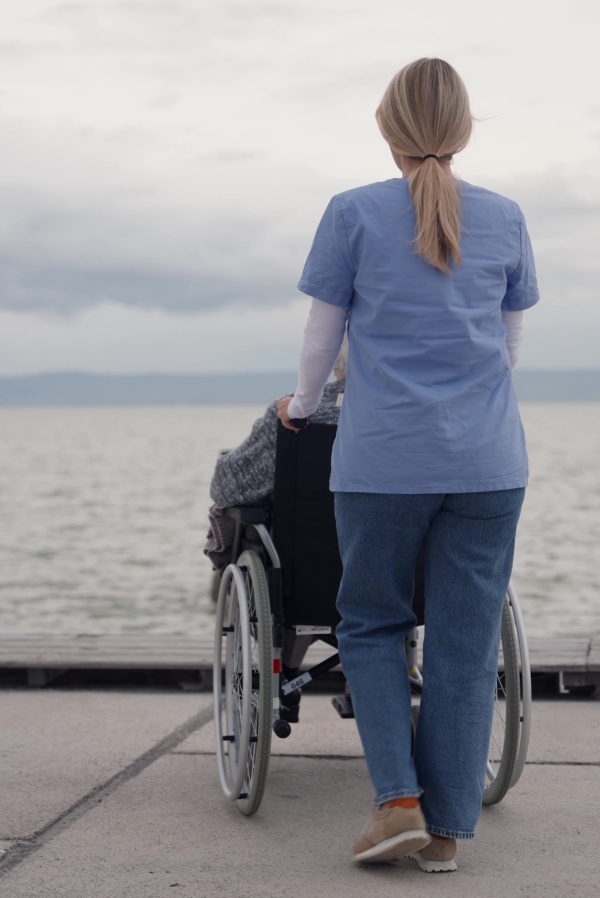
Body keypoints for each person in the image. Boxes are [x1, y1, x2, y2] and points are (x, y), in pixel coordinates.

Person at [277, 58, 539, 872]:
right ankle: (447, 834)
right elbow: (508, 347)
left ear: (388, 128)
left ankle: (396, 801)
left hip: (384, 461)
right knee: (464, 642)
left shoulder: (351, 213)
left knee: (373, 626)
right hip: (490, 461)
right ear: (461, 130)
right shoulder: (505, 216)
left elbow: (323, 339)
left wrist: (300, 402)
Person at [205, 338, 347, 572]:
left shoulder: (293, 414)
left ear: (333, 360)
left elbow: (225, 488)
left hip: (304, 574)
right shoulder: (413, 417)